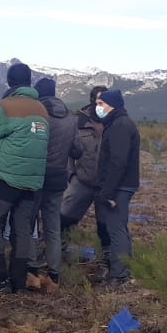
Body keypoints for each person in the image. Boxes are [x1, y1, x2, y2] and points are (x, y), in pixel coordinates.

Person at [0, 62, 49, 293]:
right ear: (29, 81)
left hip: (7, 177)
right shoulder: (41, 109)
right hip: (33, 180)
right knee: (22, 228)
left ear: (9, 81)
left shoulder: (5, 106)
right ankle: (18, 281)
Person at [27, 77, 80, 291]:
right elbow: (77, 150)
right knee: (52, 227)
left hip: (36, 176)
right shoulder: (70, 117)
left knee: (29, 225)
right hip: (59, 178)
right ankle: (54, 277)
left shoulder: (38, 115)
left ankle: (31, 273)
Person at [92, 87, 140, 287]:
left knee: (115, 228)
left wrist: (108, 191)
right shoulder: (118, 123)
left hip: (119, 186)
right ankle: (122, 270)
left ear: (112, 104)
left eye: (101, 103)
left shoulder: (119, 125)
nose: (97, 107)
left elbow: (117, 161)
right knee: (118, 227)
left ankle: (119, 275)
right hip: (121, 185)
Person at [62, 84, 108, 263]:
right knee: (64, 217)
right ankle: (57, 252)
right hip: (81, 180)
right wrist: (71, 174)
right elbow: (67, 149)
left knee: (105, 226)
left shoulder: (115, 122)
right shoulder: (77, 122)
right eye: (98, 101)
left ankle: (108, 262)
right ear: (91, 101)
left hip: (106, 185)